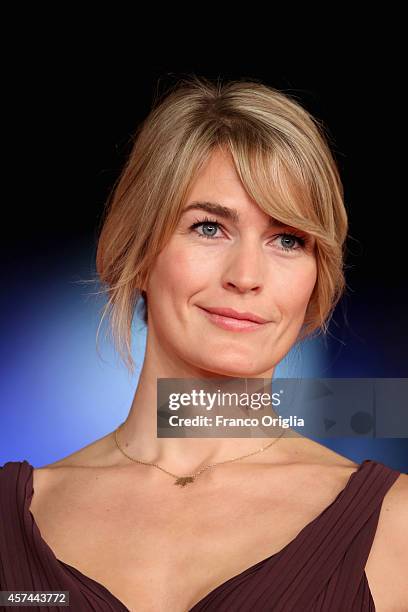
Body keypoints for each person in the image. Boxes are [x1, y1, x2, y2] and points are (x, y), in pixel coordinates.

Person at [1, 75, 407, 612]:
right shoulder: (12, 515)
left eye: (288, 239)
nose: (246, 276)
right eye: (209, 228)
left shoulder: (395, 524)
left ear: (316, 275)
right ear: (138, 250)